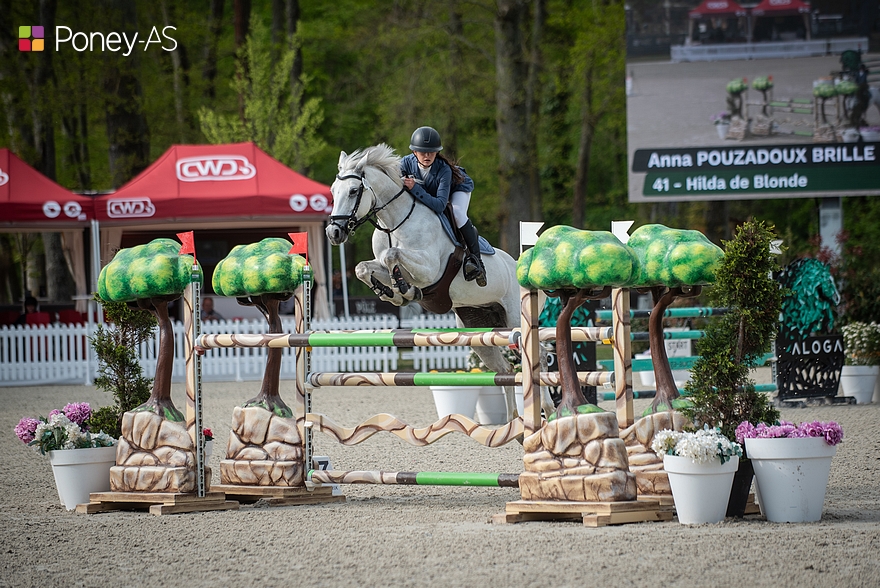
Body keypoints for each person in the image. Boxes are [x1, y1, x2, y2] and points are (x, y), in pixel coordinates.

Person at [400, 126, 487, 287]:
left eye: (431, 152)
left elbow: (440, 205)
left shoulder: (444, 169)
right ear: (414, 152)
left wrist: (415, 188)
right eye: (422, 152)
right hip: (431, 193)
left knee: (458, 214)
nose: (427, 156)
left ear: (437, 152)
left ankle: (477, 261)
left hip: (458, 188)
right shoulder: (405, 163)